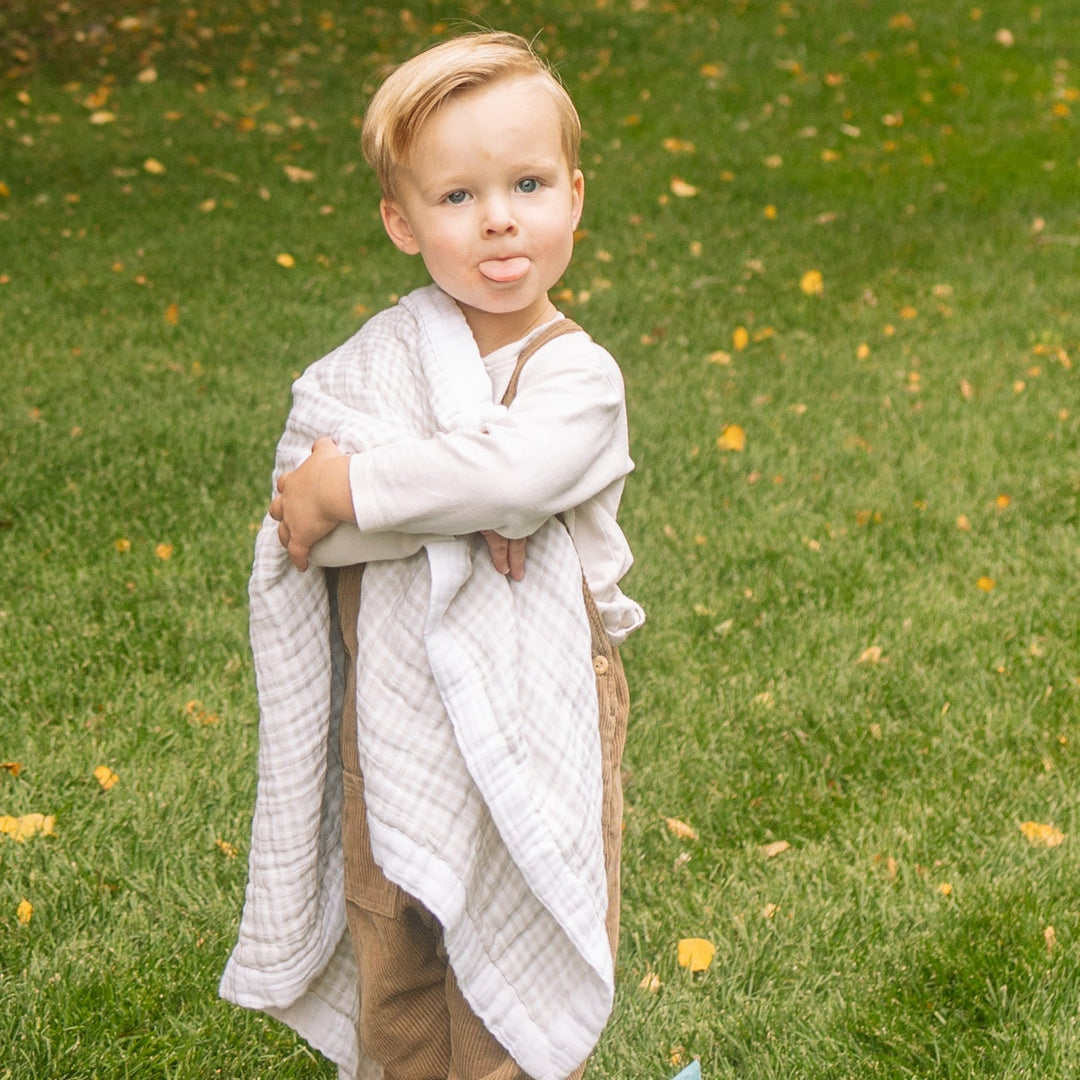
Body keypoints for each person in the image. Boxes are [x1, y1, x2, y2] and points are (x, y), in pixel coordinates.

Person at [220, 31, 644, 1080]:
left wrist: (365, 489)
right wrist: (443, 500)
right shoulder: (376, 365)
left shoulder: (576, 378)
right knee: (397, 945)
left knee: (513, 955)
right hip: (395, 711)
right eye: (457, 197)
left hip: (537, 703)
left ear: (575, 197)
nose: (499, 216)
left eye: (529, 183)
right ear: (401, 222)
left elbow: (505, 478)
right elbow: (303, 517)